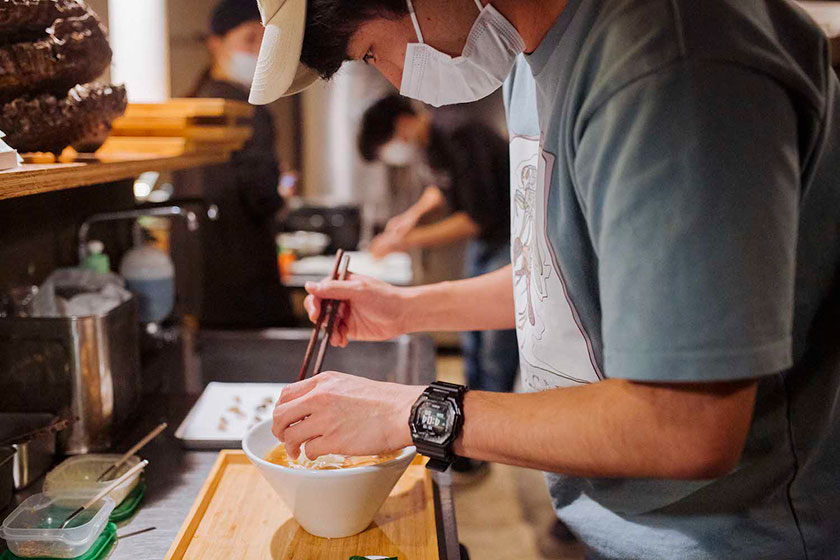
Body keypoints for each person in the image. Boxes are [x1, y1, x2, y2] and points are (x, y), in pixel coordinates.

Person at [251, 0, 840, 558]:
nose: (397, 82)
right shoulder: (529, 64)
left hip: (734, 536)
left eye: (371, 54)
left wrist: (413, 412)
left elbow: (686, 423)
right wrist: (407, 310)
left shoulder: (666, 67)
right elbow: (564, 275)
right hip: (628, 516)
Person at [359, 95, 519, 397]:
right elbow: (443, 185)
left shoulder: (457, 133)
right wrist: (412, 216)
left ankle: (496, 416)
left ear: (402, 123)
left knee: (494, 347)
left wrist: (405, 241)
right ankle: (475, 408)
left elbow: (474, 219)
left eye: (388, 144)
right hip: (486, 240)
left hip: (509, 238)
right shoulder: (431, 140)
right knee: (471, 335)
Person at [188, 0, 293, 328]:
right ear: (215, 43)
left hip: (199, 285)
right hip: (248, 280)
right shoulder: (246, 111)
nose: (260, 50)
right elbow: (262, 196)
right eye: (249, 39)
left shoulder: (192, 102)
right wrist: (282, 194)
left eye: (265, 40)